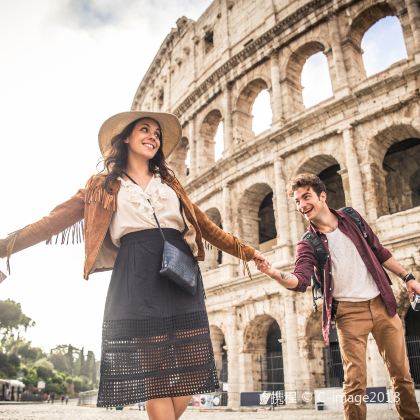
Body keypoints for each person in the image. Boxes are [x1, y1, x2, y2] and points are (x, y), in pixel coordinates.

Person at [0, 110, 267, 420]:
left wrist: (247, 252)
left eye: (157, 133)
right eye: (144, 129)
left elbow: (207, 227)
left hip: (179, 271)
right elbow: (51, 223)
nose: (153, 136)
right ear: (126, 137)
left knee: (190, 369)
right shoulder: (101, 186)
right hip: (136, 270)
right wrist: (5, 246)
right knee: (154, 373)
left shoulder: (169, 182)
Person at [255, 173, 420, 420]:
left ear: (322, 196)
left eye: (306, 197)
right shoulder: (307, 243)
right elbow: (300, 280)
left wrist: (408, 278)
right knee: (354, 381)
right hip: (349, 314)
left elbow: (379, 251)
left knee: (401, 375)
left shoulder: (352, 217)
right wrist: (273, 272)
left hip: (382, 303)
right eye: (297, 201)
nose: (301, 205)